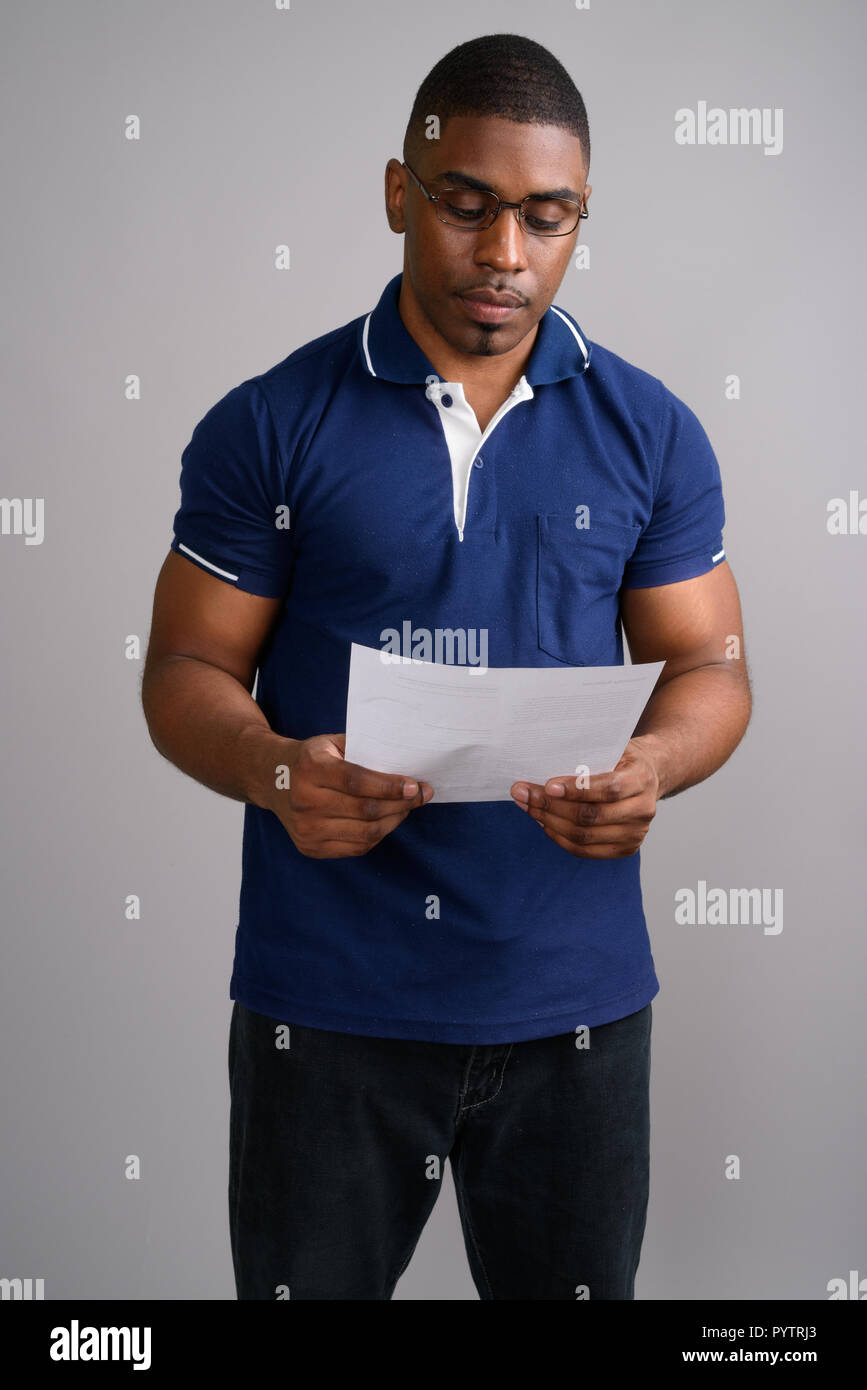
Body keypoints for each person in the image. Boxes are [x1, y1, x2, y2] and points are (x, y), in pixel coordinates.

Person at [142, 33, 751, 1300]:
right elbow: (187, 663)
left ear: (582, 217)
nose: (506, 253)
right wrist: (271, 766)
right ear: (398, 194)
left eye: (547, 215)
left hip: (574, 1002)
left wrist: (655, 763)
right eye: (467, 206)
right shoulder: (273, 420)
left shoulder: (652, 431)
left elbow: (711, 668)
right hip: (332, 1002)